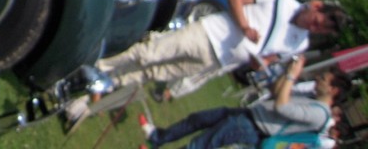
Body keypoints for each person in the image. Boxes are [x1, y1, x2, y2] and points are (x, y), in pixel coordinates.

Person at [96, 0, 347, 93]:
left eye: (320, 30)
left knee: (154, 73)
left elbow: (269, 59)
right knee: (149, 54)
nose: (314, 27)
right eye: (318, 21)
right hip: (209, 34)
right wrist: (245, 26)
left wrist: (259, 65)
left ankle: (104, 85)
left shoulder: (300, 44)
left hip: (220, 60)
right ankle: (100, 67)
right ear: (317, 7)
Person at [138, 56, 350, 149]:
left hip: (253, 127)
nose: (319, 79)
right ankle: (158, 138)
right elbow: (276, 94)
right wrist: (286, 72)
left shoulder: (319, 114)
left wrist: (292, 76)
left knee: (201, 144)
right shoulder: (312, 100)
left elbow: (282, 106)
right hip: (249, 115)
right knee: (197, 119)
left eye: (325, 79)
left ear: (334, 90)